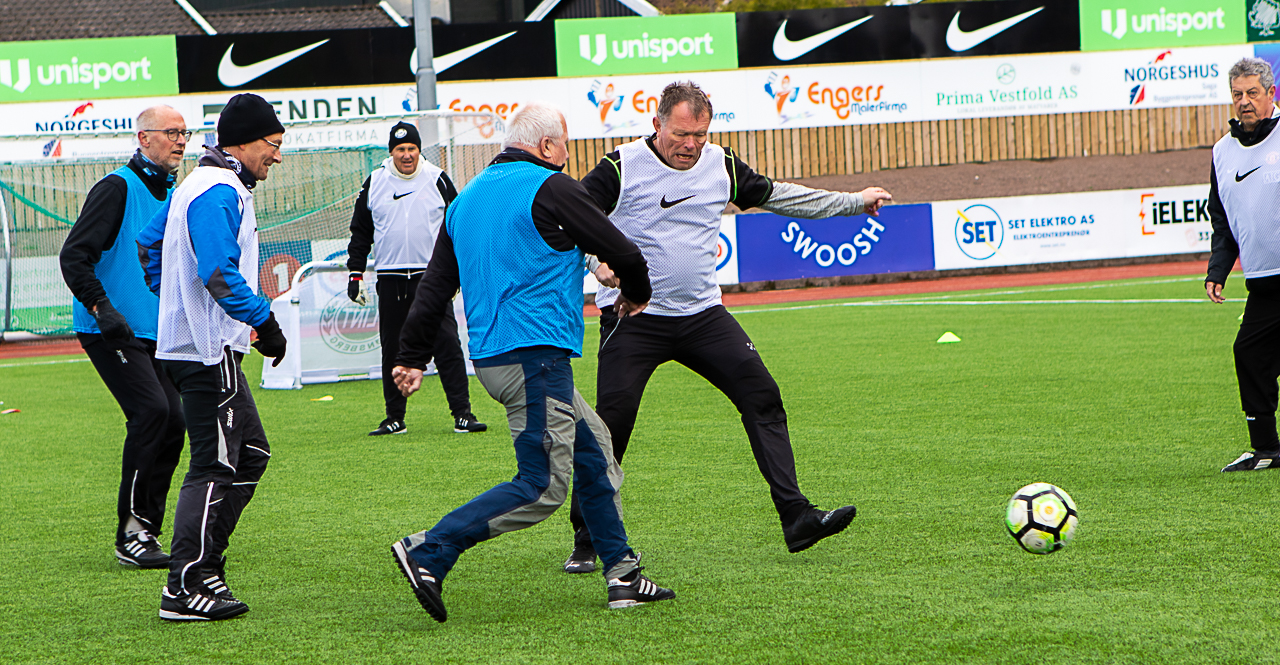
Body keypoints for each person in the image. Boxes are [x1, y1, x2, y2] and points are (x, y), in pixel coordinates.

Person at [562, 81, 895, 572]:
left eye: (700, 133)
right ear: (657, 125)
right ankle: (586, 538)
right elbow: (572, 216)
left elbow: (779, 196)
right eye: (681, 133)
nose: (691, 144)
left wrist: (851, 201)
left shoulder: (721, 163)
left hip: (703, 317)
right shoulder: (621, 165)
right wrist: (597, 261)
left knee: (763, 396)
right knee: (611, 427)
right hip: (634, 318)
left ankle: (797, 518)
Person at [387, 101, 675, 623]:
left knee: (596, 454)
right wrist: (637, 293)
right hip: (535, 359)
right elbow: (625, 252)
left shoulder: (467, 198)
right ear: (546, 146)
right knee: (542, 485)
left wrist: (409, 356)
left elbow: (433, 289)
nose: (567, 155)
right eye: (564, 144)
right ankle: (430, 548)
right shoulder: (553, 186)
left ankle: (623, 574)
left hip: (496, 359)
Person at [136, 93, 288, 621]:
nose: (276, 155)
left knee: (250, 456)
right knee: (216, 463)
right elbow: (220, 273)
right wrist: (263, 321)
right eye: (272, 145)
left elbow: (148, 244)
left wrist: (172, 303)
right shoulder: (218, 188)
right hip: (205, 351)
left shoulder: (200, 183)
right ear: (242, 141)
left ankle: (206, 569)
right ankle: (187, 584)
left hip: (203, 344)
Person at [58, 105, 190, 569]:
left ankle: (147, 533)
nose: (180, 140)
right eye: (170, 132)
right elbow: (74, 256)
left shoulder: (177, 190)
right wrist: (102, 307)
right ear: (144, 138)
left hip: (156, 331)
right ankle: (131, 535)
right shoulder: (116, 187)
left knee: (175, 421)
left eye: (184, 132)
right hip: (108, 327)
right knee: (152, 411)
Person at [346, 121, 486, 436]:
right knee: (393, 350)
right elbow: (360, 232)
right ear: (391, 152)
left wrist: (460, 272)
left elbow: (460, 227)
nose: (406, 155)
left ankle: (463, 414)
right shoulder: (375, 182)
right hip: (390, 279)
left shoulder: (437, 179)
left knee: (448, 345)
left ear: (419, 150)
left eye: (411, 149)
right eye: (400, 150)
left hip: (432, 280)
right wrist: (355, 272)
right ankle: (394, 417)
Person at [1206, 57, 1280, 472]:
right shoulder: (1221, 152)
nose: (1245, 102)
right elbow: (1223, 219)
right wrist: (1218, 270)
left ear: (1271, 94)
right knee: (1249, 353)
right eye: (1238, 94)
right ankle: (1267, 450)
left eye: (1253, 92)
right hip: (1263, 285)